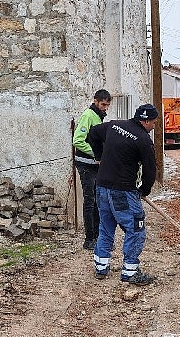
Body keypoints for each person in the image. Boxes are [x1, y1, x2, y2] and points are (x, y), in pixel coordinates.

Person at [87, 104, 158, 286]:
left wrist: (99, 157)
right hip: (123, 190)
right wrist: (144, 190)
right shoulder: (143, 140)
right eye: (154, 123)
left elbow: (92, 133)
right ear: (147, 121)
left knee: (106, 225)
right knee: (136, 229)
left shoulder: (113, 126)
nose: (154, 126)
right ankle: (130, 271)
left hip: (102, 187)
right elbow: (151, 171)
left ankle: (101, 267)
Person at [73, 89, 112, 250]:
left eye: (107, 105)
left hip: (95, 164)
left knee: (97, 201)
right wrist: (97, 153)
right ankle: (89, 238)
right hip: (86, 164)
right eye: (103, 104)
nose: (105, 108)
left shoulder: (98, 117)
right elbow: (78, 140)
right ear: (95, 101)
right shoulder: (88, 116)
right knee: (90, 201)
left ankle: (97, 236)